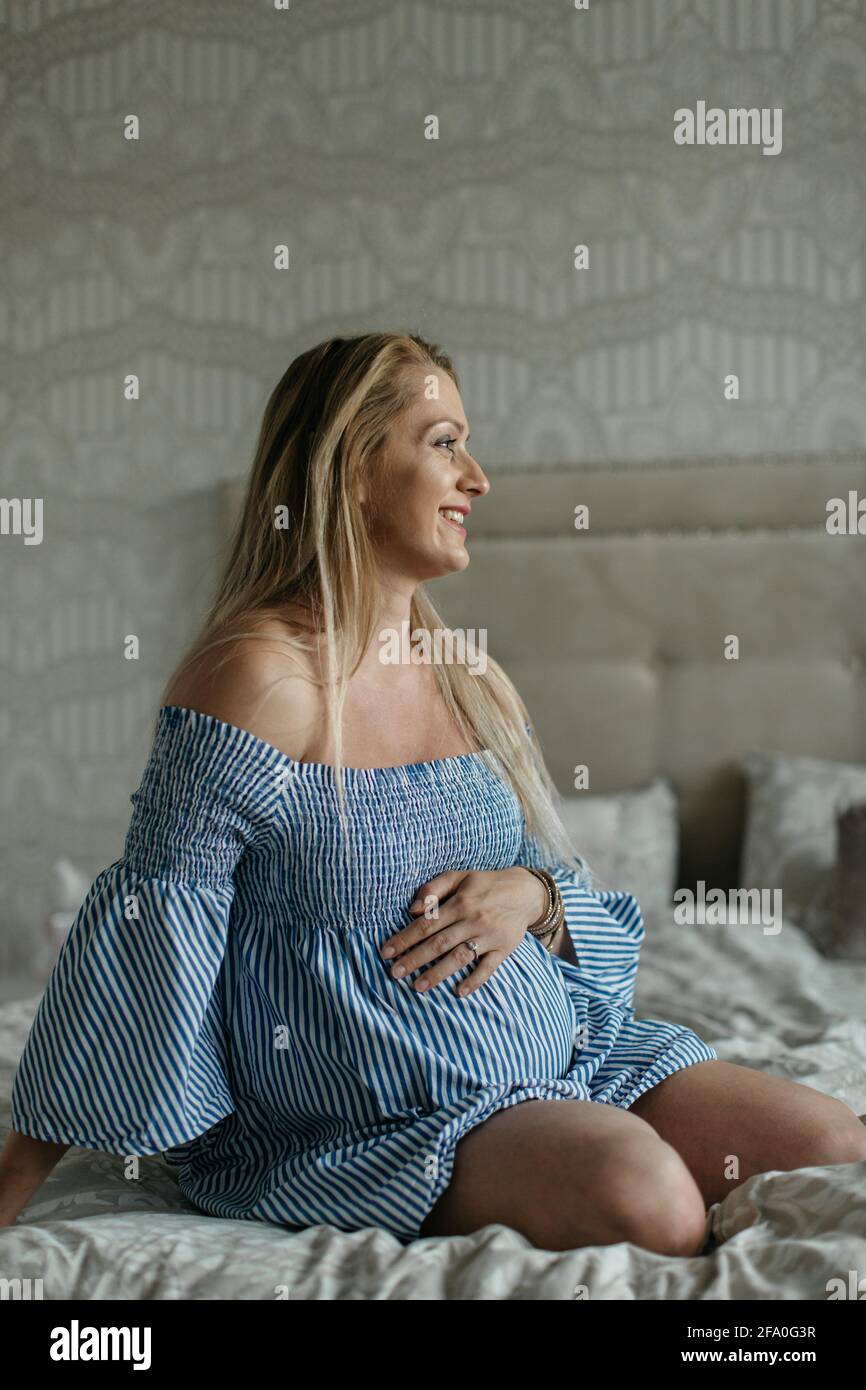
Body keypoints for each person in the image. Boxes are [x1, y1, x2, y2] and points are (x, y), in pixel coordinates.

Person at [2, 333, 865, 1255]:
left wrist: (532, 898)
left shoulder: (469, 676)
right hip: (377, 1116)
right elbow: (150, 931)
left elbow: (552, 877)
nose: (478, 478)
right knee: (647, 1199)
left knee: (831, 1143)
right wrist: (16, 1176)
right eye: (444, 441)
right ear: (353, 469)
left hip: (568, 1060)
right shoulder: (261, 675)